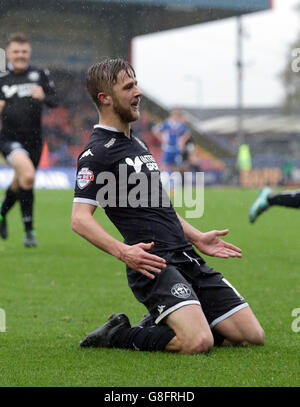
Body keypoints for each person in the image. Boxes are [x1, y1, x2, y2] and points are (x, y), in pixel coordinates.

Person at [72, 58, 265, 354]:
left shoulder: (138, 144)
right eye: (129, 87)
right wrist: (124, 252)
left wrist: (197, 237)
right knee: (197, 342)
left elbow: (161, 207)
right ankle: (118, 335)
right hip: (153, 263)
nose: (138, 92)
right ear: (105, 98)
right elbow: (80, 219)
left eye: (136, 84)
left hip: (185, 255)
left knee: (251, 336)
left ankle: (168, 318)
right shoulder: (97, 152)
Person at [0, 33, 58, 246]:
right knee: (28, 175)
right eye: (16, 51)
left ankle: (2, 214)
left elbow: (55, 100)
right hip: (8, 139)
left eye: (24, 51)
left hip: (34, 140)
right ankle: (29, 232)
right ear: (8, 54)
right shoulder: (1, 78)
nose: (20, 55)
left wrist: (44, 96)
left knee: (21, 182)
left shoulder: (39, 74)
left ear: (29, 53)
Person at [152, 108, 190, 173]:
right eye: (175, 114)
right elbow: (155, 130)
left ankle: (173, 180)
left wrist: (182, 141)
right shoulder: (166, 124)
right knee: (164, 165)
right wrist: (162, 139)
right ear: (172, 115)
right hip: (167, 148)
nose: (176, 116)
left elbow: (187, 133)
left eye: (178, 115)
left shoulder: (180, 125)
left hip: (177, 148)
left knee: (177, 166)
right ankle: (162, 179)